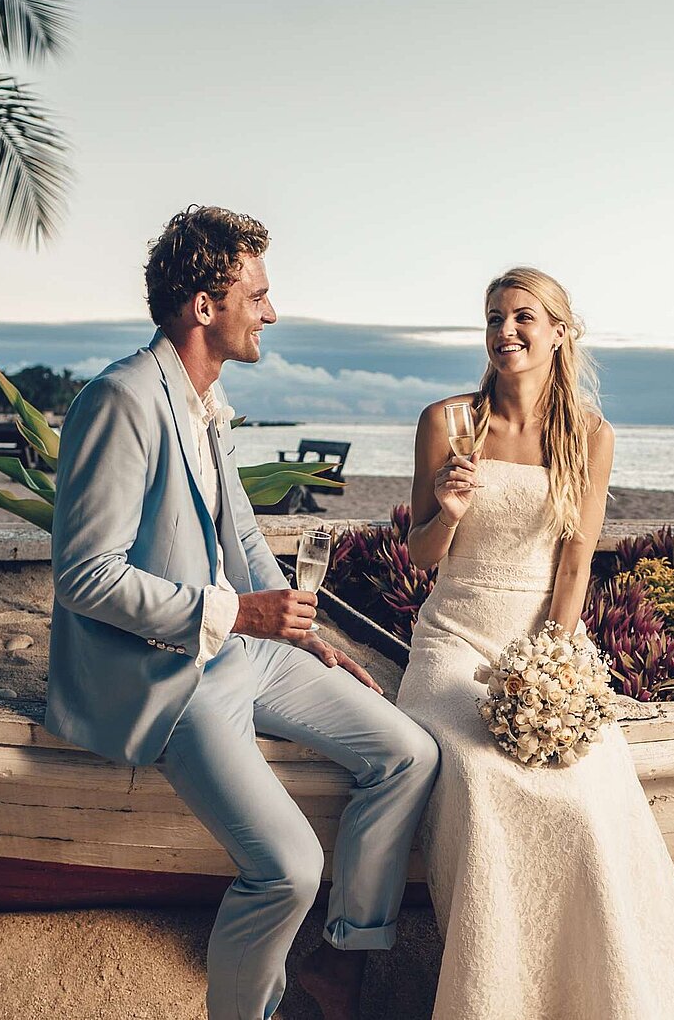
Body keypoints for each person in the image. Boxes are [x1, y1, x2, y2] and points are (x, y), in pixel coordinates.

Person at [398, 268, 674, 1019]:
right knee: (479, 774)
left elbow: (574, 566)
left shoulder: (590, 436)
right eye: (494, 317)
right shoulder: (446, 421)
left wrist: (549, 669)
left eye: (523, 316)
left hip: (540, 643)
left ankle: (585, 988)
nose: (506, 331)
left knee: (586, 797)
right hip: (453, 642)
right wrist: (449, 509)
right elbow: (420, 554)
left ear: (559, 332)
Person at [47, 205, 438, 1020]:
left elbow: (244, 536)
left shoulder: (205, 399)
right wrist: (237, 613)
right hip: (171, 675)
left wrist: (300, 628)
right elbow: (86, 576)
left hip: (249, 649)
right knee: (289, 868)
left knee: (409, 752)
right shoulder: (122, 399)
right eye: (257, 295)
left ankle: (340, 965)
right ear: (204, 306)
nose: (272, 312)